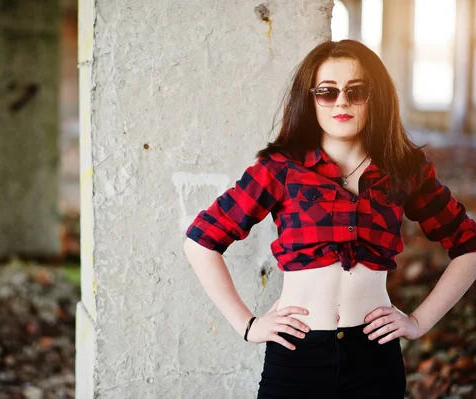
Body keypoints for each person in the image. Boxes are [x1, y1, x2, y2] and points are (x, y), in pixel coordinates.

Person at [182, 39, 476, 398]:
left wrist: (418, 321)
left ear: (376, 97)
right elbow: (201, 242)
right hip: (296, 356)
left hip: (374, 357)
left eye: (357, 90)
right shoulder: (279, 169)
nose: (341, 101)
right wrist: (247, 325)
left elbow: (469, 246)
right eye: (327, 91)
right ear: (310, 99)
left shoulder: (405, 169)